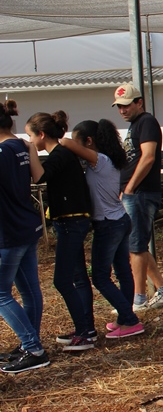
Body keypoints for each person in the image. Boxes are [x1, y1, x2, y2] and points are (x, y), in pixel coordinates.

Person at [59, 120, 145, 339]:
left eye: (80, 143)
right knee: (123, 272)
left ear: (89, 141)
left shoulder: (100, 160)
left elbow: (67, 143)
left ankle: (131, 320)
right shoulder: (109, 159)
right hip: (119, 220)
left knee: (99, 277)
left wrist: (52, 138)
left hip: (108, 223)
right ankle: (125, 317)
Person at [25, 111, 97, 352]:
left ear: (41, 134)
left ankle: (84, 333)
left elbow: (39, 176)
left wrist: (30, 152)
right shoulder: (62, 154)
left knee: (62, 280)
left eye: (30, 136)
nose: (30, 141)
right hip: (71, 221)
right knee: (77, 277)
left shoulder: (59, 155)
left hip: (71, 222)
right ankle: (85, 329)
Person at [112, 83, 163, 311]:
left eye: (126, 105)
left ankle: (138, 298)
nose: (122, 110)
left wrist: (130, 187)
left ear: (139, 102)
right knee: (137, 244)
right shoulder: (135, 125)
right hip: (133, 192)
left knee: (136, 247)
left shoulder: (147, 122)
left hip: (141, 193)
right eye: (119, 106)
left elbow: (148, 157)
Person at [0, 100, 49, 374]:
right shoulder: (21, 145)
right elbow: (38, 176)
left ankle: (32, 347)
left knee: (1, 293)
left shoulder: (2, 151)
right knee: (30, 291)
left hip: (7, 231)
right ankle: (30, 344)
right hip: (26, 226)